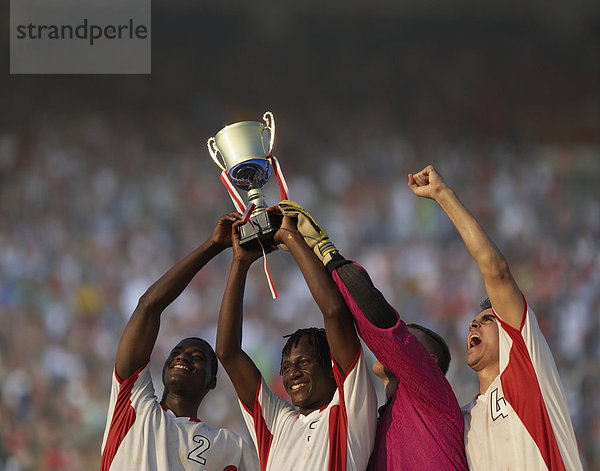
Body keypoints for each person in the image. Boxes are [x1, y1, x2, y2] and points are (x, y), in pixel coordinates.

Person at [408, 164, 583, 470]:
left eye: (488, 320)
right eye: (475, 320)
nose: (473, 324)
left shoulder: (527, 369)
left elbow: (496, 270)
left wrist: (442, 195)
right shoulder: (461, 421)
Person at [277, 200, 468, 470]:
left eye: (410, 342)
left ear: (430, 361)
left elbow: (377, 318)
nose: (399, 346)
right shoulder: (374, 426)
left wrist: (325, 252)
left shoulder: (431, 394)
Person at [215, 213, 377, 471]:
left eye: (304, 362)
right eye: (287, 367)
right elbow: (228, 352)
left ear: (332, 368)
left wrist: (291, 239)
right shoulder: (277, 422)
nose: (293, 374)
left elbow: (335, 313)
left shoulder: (349, 409)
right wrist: (240, 262)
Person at [100, 213, 259, 471]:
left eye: (198, 357)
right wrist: (213, 245)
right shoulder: (132, 405)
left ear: (212, 381)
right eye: (177, 353)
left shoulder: (232, 447)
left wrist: (240, 263)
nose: (183, 357)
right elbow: (148, 307)